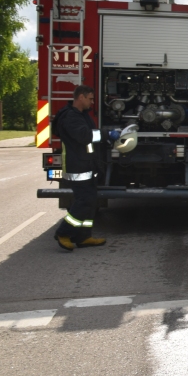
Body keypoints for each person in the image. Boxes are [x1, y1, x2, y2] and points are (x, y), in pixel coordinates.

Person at [52, 85, 117, 251]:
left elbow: (90, 134)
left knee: (90, 201)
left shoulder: (81, 115)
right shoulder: (71, 117)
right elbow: (85, 136)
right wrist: (107, 134)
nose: (92, 102)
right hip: (77, 168)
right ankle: (63, 233)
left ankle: (83, 237)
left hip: (85, 164)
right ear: (80, 97)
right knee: (84, 201)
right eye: (90, 98)